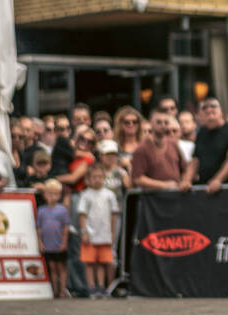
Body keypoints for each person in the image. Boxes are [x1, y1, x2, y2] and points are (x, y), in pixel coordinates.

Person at [77, 166, 120, 297]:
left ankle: (101, 286)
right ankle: (91, 287)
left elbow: (113, 215)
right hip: (90, 235)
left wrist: (112, 232)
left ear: (104, 178)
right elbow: (82, 214)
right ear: (89, 179)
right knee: (90, 262)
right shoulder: (85, 195)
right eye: (94, 177)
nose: (97, 180)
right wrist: (84, 231)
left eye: (100, 177)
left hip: (104, 234)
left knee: (102, 262)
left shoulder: (110, 195)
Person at [189, 98, 228, 194]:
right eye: (207, 114)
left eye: (213, 113)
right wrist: (187, 180)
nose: (211, 117)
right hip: (205, 187)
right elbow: (195, 160)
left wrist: (218, 180)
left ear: (221, 112)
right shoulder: (201, 132)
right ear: (201, 116)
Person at [130, 108, 191, 191]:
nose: (163, 125)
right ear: (151, 123)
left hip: (175, 195)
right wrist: (164, 185)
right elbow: (138, 178)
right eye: (159, 122)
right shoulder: (142, 148)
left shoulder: (173, 144)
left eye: (166, 122)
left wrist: (184, 181)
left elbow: (185, 169)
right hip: (153, 199)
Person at [36, 179, 70, 298]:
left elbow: (66, 227)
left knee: (61, 267)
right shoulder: (41, 210)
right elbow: (39, 228)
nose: (52, 196)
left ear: (60, 195)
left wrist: (64, 242)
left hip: (59, 243)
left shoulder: (62, 210)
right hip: (48, 244)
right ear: (45, 195)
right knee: (52, 267)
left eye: (55, 194)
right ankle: (54, 290)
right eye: (50, 193)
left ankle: (62, 291)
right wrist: (40, 242)